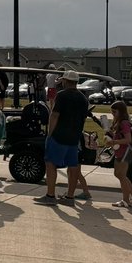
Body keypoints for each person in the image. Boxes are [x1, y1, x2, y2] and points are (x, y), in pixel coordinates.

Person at [35, 70, 88, 204]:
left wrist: (49, 134)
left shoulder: (61, 96)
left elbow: (54, 115)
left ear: (65, 81)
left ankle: (50, 195)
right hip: (74, 136)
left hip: (59, 135)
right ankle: (70, 197)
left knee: (51, 164)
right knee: (73, 166)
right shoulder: (83, 98)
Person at [104, 101, 132, 208]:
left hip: (125, 151)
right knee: (118, 174)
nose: (113, 114)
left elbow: (128, 139)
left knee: (121, 175)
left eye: (114, 112)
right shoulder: (118, 122)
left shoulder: (124, 123)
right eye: (111, 112)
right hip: (120, 151)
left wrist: (114, 142)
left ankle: (126, 199)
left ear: (121, 112)